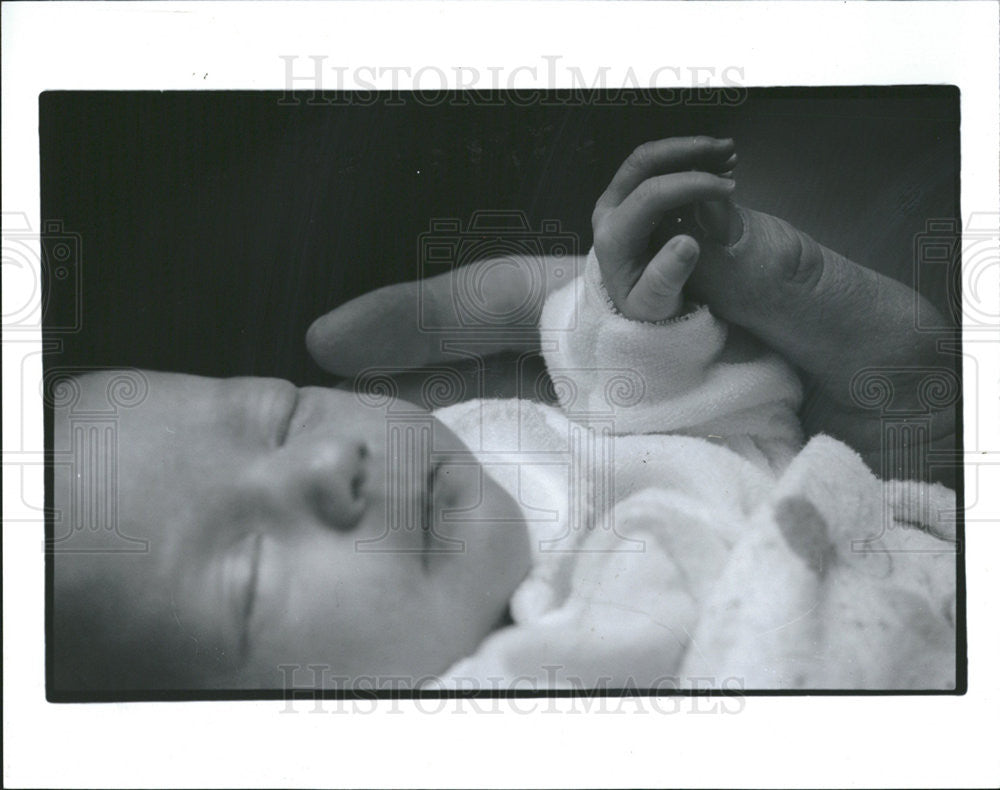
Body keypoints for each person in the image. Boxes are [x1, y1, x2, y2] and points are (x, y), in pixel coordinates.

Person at [50, 137, 957, 692]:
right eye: (246, 574)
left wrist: (640, 323)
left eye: (281, 417)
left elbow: (724, 443)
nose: (326, 467)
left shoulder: (490, 442)